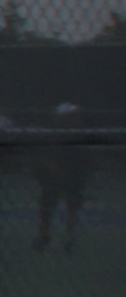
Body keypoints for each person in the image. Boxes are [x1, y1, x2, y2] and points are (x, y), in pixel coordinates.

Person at [32, 102, 86, 253]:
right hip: (53, 177)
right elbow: (44, 157)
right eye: (69, 117)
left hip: (73, 175)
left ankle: (69, 240)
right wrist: (52, 168)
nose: (74, 120)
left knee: (72, 208)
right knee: (47, 208)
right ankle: (43, 237)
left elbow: (82, 159)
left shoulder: (79, 135)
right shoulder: (52, 135)